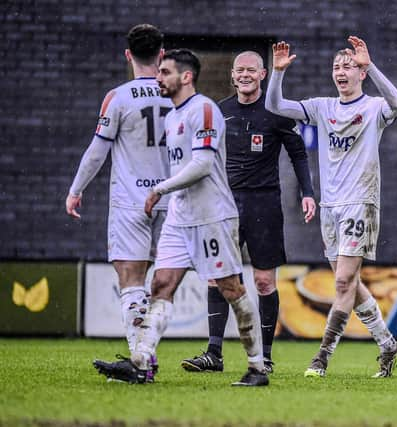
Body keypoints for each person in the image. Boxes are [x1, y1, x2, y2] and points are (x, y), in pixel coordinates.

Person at [93, 49, 268, 387]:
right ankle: (141, 362)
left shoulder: (204, 110)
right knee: (161, 284)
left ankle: (257, 367)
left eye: (166, 73)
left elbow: (202, 165)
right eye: (159, 72)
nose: (159, 78)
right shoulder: (172, 117)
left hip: (212, 216)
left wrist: (159, 188)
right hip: (179, 217)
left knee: (232, 289)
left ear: (186, 77)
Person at [265, 36, 397, 378]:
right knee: (350, 282)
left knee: (343, 281)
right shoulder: (322, 107)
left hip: (361, 200)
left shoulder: (374, 108)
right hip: (330, 206)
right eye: (336, 67)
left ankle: (322, 356)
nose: (340, 72)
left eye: (348, 66)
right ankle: (388, 345)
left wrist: (370, 64)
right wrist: (278, 73)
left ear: (359, 73)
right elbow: (275, 106)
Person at [180, 51, 316, 374]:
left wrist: (308, 193)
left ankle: (265, 358)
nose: (244, 75)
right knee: (218, 278)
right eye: (239, 70)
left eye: (250, 70)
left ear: (262, 74)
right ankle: (214, 354)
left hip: (264, 205)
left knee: (264, 282)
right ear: (232, 75)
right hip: (225, 204)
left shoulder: (277, 112)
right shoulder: (219, 112)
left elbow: (298, 154)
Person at [65, 24, 171, 361]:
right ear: (162, 54)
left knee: (131, 279)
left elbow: (98, 151)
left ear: (128, 55)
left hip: (132, 201)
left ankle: (142, 358)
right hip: (172, 200)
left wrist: (76, 189)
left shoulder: (119, 97)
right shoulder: (178, 94)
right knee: (167, 283)